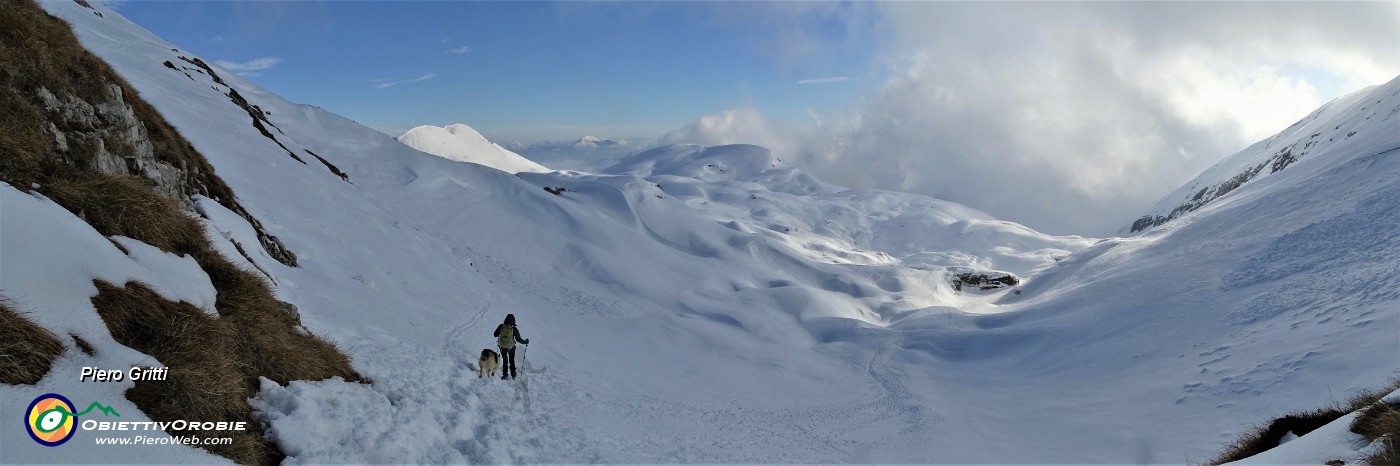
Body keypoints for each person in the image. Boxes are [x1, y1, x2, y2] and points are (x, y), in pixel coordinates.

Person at [493, 314, 529, 380]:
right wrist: (525, 342)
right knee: (511, 360)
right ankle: (513, 374)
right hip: (511, 347)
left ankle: (505, 375)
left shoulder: (501, 326)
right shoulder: (514, 329)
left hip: (502, 346)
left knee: (505, 360)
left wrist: (500, 334)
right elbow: (518, 339)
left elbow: (495, 334)